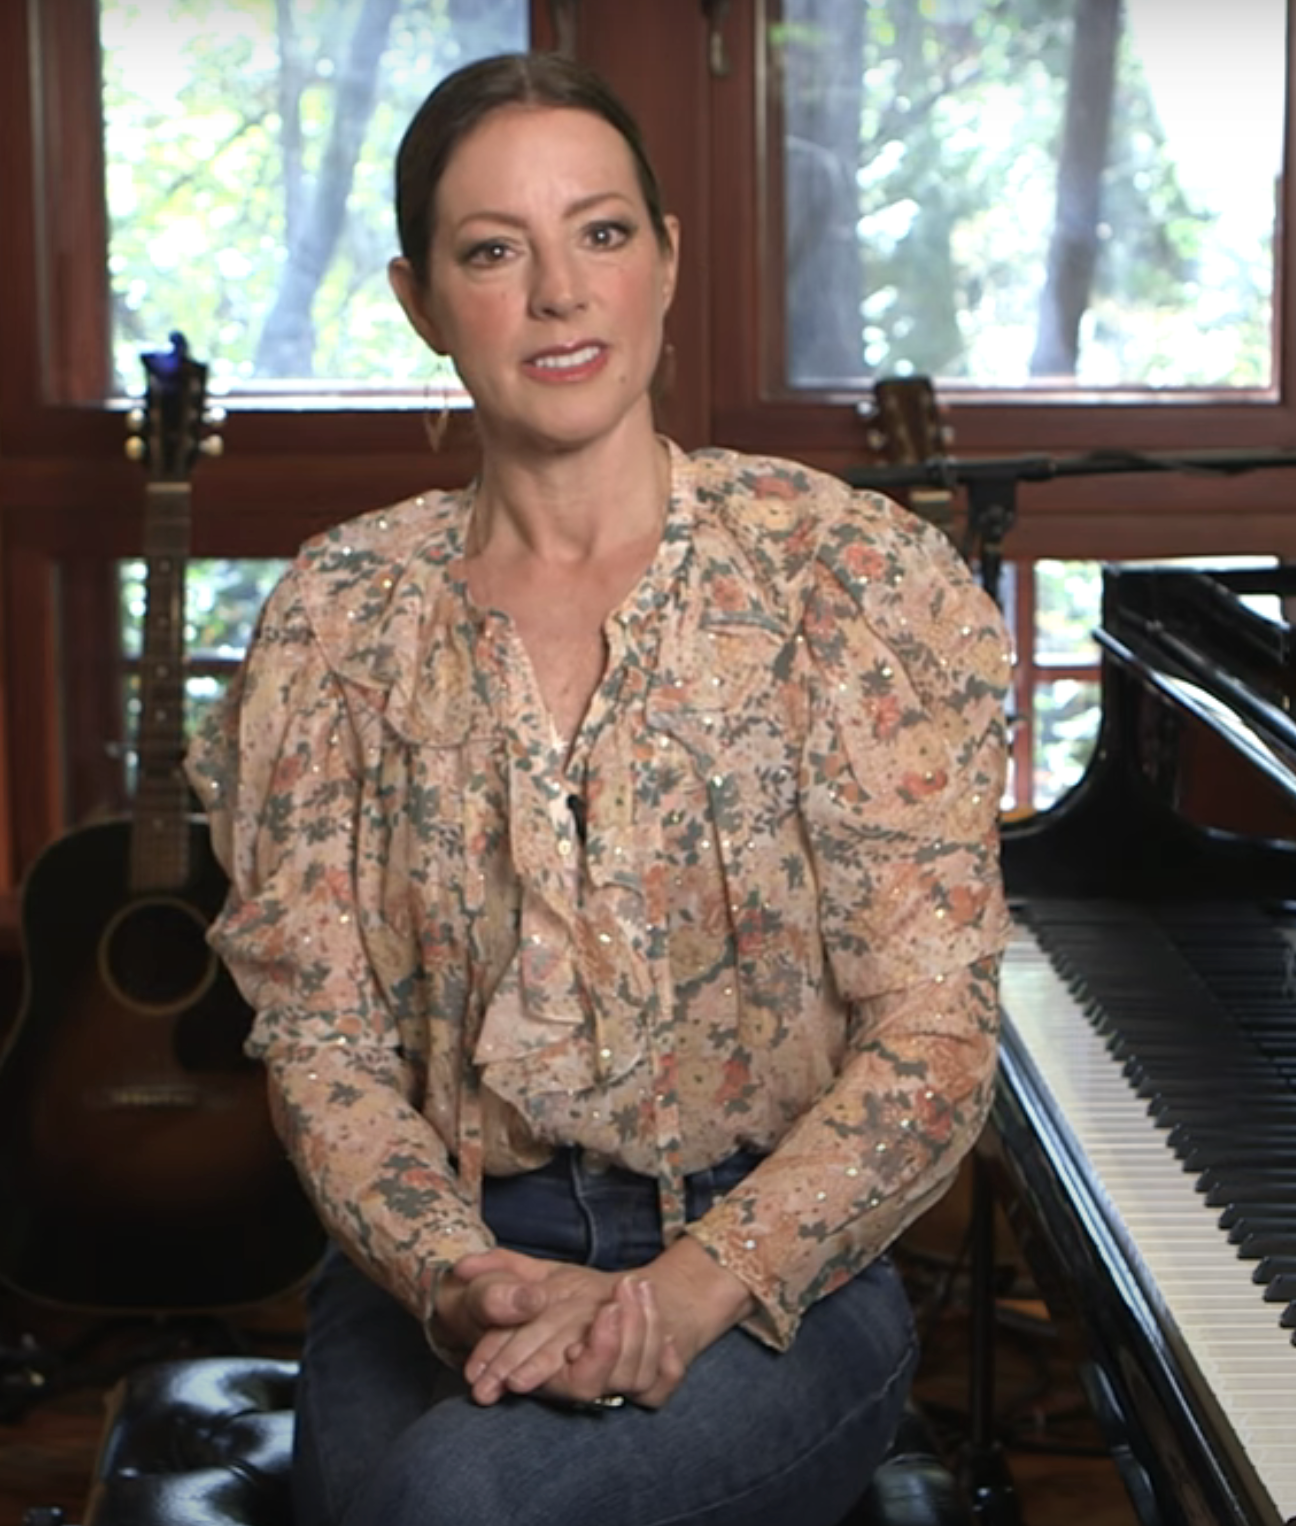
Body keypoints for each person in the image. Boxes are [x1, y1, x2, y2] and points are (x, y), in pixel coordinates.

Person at [185, 48, 1012, 1526]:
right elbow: (320, 1040)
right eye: (495, 251)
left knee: (449, 1497)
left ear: (667, 261)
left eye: (603, 232)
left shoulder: (841, 579)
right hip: (434, 1261)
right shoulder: (339, 614)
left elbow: (938, 1035)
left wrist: (684, 1295)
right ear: (422, 302)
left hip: (777, 1276)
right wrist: (463, 1275)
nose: (560, 291)